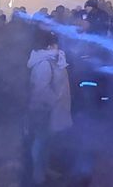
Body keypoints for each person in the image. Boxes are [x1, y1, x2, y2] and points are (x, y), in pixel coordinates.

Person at [27, 30, 73, 185]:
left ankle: (44, 169)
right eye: (55, 43)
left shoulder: (52, 60)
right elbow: (41, 89)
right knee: (41, 142)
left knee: (46, 141)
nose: (58, 46)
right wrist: (55, 101)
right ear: (48, 45)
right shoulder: (44, 64)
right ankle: (37, 175)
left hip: (51, 109)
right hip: (44, 109)